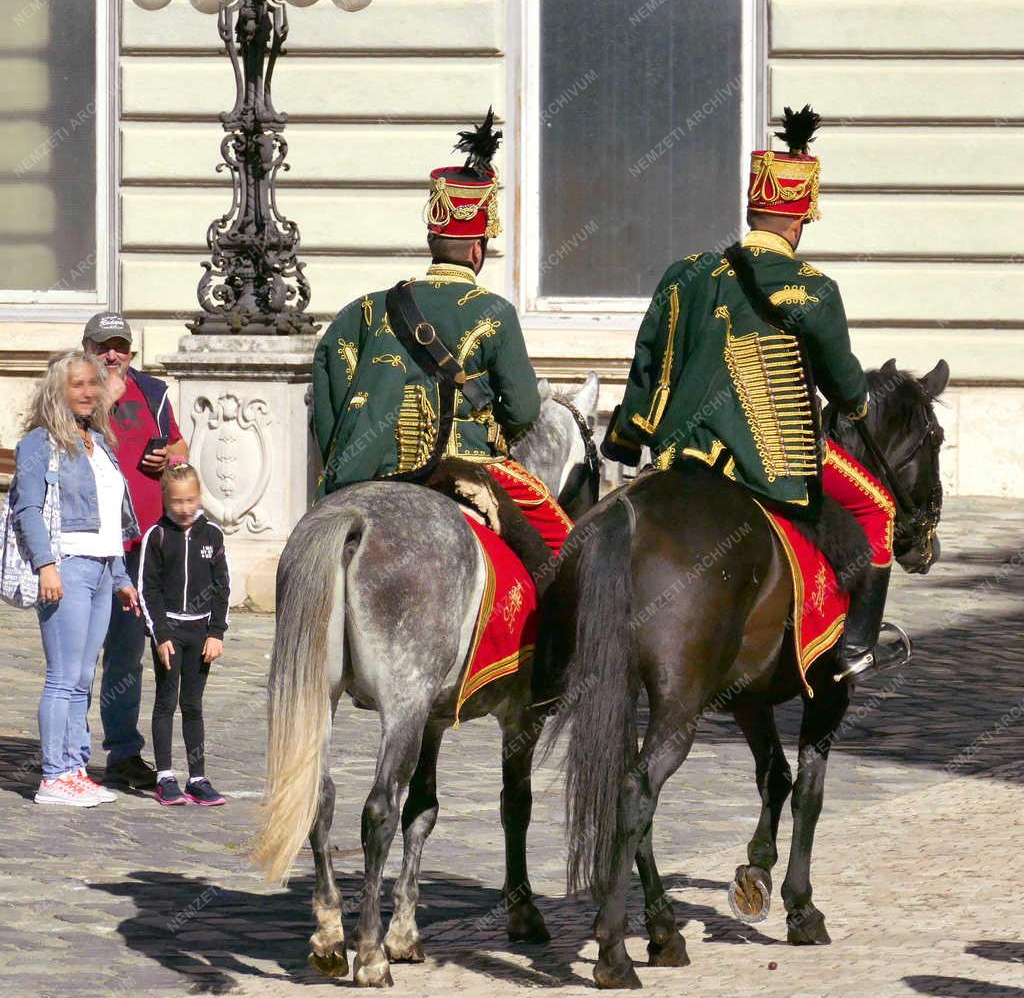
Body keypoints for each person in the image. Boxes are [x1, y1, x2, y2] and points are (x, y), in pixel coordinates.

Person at [602, 106, 896, 682]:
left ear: (751, 208)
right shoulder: (812, 287)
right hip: (774, 458)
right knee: (877, 507)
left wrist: (628, 434)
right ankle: (856, 647)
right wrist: (859, 404)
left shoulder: (685, 273)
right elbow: (842, 382)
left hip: (681, 451)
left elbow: (649, 365)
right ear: (801, 219)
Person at [311, 109, 571, 558]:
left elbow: (328, 404)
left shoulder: (361, 311)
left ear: (433, 240)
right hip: (465, 464)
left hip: (363, 477)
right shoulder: (495, 312)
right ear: (477, 249)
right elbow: (525, 409)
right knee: (565, 552)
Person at [10, 351, 141, 807]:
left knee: (84, 676)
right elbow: (25, 509)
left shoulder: (99, 442)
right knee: (63, 676)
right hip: (68, 567)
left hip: (104, 568)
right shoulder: (39, 443)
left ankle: (75, 767)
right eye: (78, 385)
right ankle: (53, 776)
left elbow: (113, 518)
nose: (88, 392)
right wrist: (47, 564)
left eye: (93, 384)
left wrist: (122, 577)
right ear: (58, 391)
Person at [82, 312, 189, 790]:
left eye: (120, 346)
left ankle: (123, 753)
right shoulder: (75, 390)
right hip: (87, 544)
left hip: (141, 547)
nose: (112, 355)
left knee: (127, 655)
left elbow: (181, 445)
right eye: (103, 345)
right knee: (80, 656)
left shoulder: (152, 391)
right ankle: (69, 755)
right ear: (87, 347)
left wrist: (171, 457)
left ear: (130, 352)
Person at [139, 458, 230, 807]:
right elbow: (149, 589)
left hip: (201, 634)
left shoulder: (213, 535)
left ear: (199, 497)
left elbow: (223, 586)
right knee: (166, 702)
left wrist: (216, 631)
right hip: (170, 633)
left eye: (190, 500)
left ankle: (198, 777)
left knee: (193, 705)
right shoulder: (158, 536)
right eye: (177, 501)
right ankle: (164, 776)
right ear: (165, 499)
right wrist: (160, 634)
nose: (184, 508)